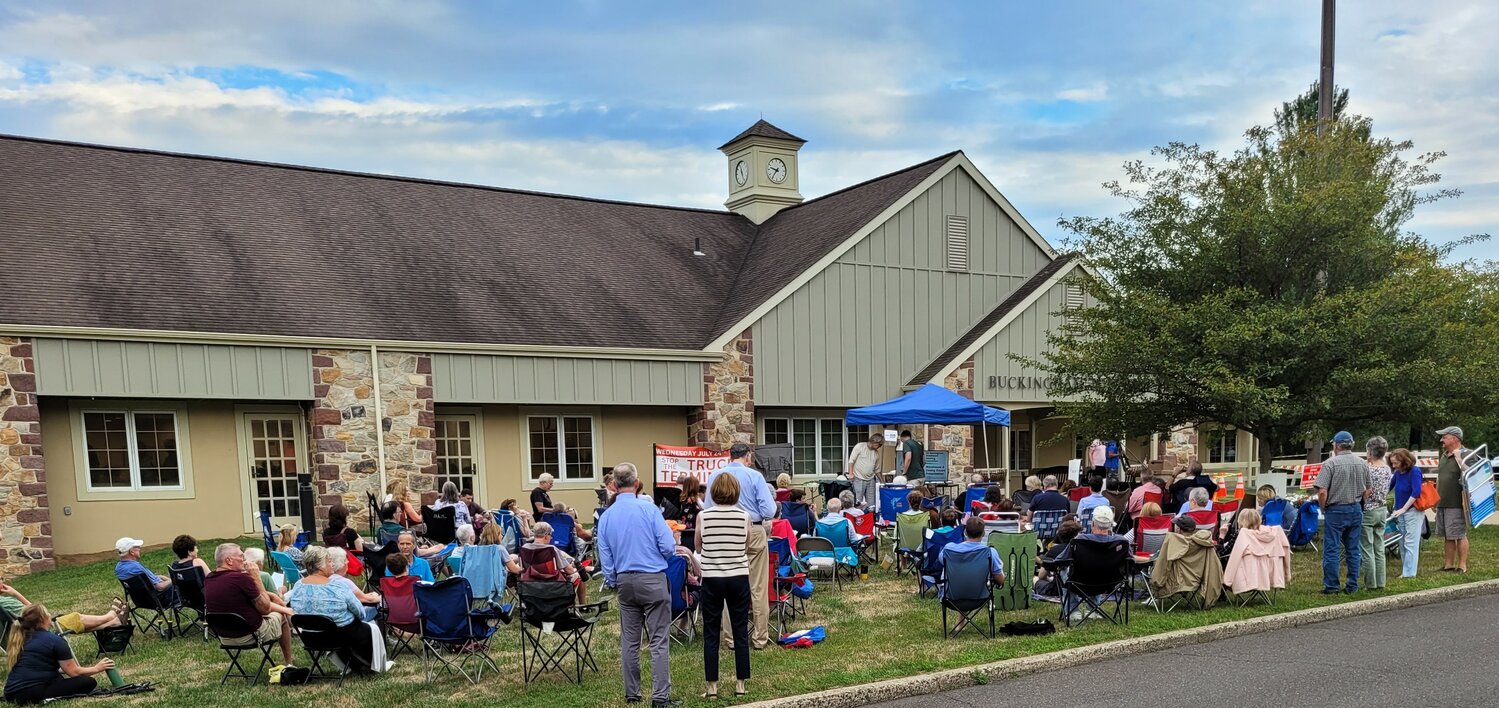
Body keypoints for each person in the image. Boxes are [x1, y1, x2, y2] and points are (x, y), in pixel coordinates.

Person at [596, 462, 678, 707]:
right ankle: (660, 696)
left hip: (624, 580)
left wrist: (613, 579)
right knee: (658, 639)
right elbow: (667, 546)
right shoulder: (649, 510)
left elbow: (605, 555)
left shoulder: (606, 516)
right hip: (652, 577)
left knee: (630, 641)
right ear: (636, 481)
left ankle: (632, 693)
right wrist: (658, 559)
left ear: (614, 485)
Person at [701, 443, 776, 651]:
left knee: (727, 580)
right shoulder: (754, 476)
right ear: (748, 456)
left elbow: (708, 506)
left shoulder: (715, 475)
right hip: (753, 528)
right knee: (758, 586)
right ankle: (760, 637)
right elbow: (769, 509)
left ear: (730, 455)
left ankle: (731, 637)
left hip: (724, 530)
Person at [285, 546, 391, 673]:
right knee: (370, 628)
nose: (332, 564)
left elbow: (294, 608)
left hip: (311, 637)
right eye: (329, 561)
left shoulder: (298, 586)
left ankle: (352, 664)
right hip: (340, 635)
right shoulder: (338, 586)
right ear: (320, 566)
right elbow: (360, 613)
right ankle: (372, 665)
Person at [696, 473, 753, 700]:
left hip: (712, 577)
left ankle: (712, 687)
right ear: (736, 492)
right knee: (740, 629)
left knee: (711, 632)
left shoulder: (704, 516)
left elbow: (698, 545)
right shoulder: (744, 516)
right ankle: (740, 684)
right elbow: (746, 545)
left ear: (713, 492)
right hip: (738, 576)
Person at [204, 543, 295, 666]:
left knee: (279, 610)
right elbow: (265, 608)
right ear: (229, 560)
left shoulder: (210, 578)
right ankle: (289, 662)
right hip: (250, 634)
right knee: (281, 617)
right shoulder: (241, 579)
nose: (244, 559)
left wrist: (272, 595)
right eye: (241, 556)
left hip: (225, 637)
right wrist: (256, 577)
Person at [3, 604, 114, 704]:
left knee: (58, 677)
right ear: (43, 619)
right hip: (32, 694)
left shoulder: (20, 639)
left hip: (11, 694)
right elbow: (74, 672)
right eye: (47, 613)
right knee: (88, 682)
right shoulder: (55, 640)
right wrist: (97, 668)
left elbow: (37, 666)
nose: (49, 614)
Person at [1315, 431, 1372, 594]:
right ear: (1351, 444)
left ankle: (1332, 586)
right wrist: (1361, 503)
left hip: (1336, 509)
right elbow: (1368, 490)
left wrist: (1323, 507)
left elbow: (1322, 491)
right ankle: (1352, 585)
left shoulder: (1330, 464)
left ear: (1336, 445)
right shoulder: (1362, 463)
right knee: (1353, 549)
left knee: (1332, 549)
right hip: (1355, 508)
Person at [0, 579, 126, 635]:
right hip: (39, 630)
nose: (3, 582)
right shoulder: (5, 602)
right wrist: (15, 593)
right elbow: (37, 612)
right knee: (76, 618)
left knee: (72, 624)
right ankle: (110, 616)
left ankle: (114, 622)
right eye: (0, 579)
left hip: (25, 634)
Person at [1433, 425, 1470, 573]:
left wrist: (1459, 458)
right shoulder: (1443, 455)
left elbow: (1472, 473)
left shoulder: (1467, 454)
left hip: (1457, 502)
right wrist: (1436, 498)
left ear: (1454, 439)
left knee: (1459, 534)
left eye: (1445, 437)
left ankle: (1462, 565)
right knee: (1448, 535)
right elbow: (1440, 478)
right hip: (1443, 501)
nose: (1442, 439)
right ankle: (1448, 565)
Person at [1359, 436, 1394, 591]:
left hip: (1368, 510)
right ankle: (1381, 582)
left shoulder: (1368, 468)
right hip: (1382, 509)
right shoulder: (1386, 468)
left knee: (1367, 548)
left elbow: (1366, 491)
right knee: (1379, 548)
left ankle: (1370, 584)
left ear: (1370, 451)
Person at [522, 522, 587, 603]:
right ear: (546, 535)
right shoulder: (550, 549)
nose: (551, 538)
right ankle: (582, 606)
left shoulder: (524, 548)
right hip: (552, 585)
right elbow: (569, 571)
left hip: (531, 584)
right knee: (577, 575)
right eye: (551, 535)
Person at [1386, 448, 1425, 578]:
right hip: (1400, 511)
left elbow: (1416, 492)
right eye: (1392, 463)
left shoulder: (1415, 471)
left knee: (1411, 542)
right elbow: (1388, 487)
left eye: (1396, 463)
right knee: (1402, 541)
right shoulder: (1398, 473)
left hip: (1412, 511)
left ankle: (1409, 573)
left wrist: (1404, 508)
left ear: (1404, 461)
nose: (1394, 466)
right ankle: (1405, 570)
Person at [113, 537, 177, 605]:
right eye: (137, 547)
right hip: (160, 599)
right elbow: (160, 587)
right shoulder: (136, 568)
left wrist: (166, 579)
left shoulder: (118, 568)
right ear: (132, 552)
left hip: (140, 601)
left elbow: (153, 579)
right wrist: (173, 579)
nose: (139, 548)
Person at [1032, 519, 1083, 600]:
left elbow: (1042, 575)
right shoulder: (1082, 550)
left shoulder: (1054, 551)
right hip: (1081, 589)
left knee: (1035, 579)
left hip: (1058, 589)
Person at [845, 435, 883, 510]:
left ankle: (870, 518)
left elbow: (877, 469)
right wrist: (851, 474)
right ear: (875, 442)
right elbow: (851, 461)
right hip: (858, 479)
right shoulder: (860, 446)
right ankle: (858, 518)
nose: (880, 446)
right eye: (880, 444)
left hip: (871, 479)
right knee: (858, 502)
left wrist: (882, 481)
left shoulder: (876, 453)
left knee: (871, 504)